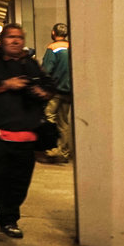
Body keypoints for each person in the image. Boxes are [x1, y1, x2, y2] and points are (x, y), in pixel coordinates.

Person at [0, 24, 55, 238]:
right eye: (11, 37)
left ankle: (9, 220)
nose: (15, 41)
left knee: (19, 182)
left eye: (19, 38)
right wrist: (6, 85)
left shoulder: (31, 65)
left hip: (26, 136)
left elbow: (49, 87)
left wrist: (43, 92)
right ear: (1, 41)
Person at [40, 23, 72, 163]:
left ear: (53, 33)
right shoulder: (71, 46)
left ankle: (51, 148)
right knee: (64, 121)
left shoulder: (53, 47)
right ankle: (64, 152)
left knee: (49, 117)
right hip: (69, 90)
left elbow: (46, 70)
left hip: (55, 90)